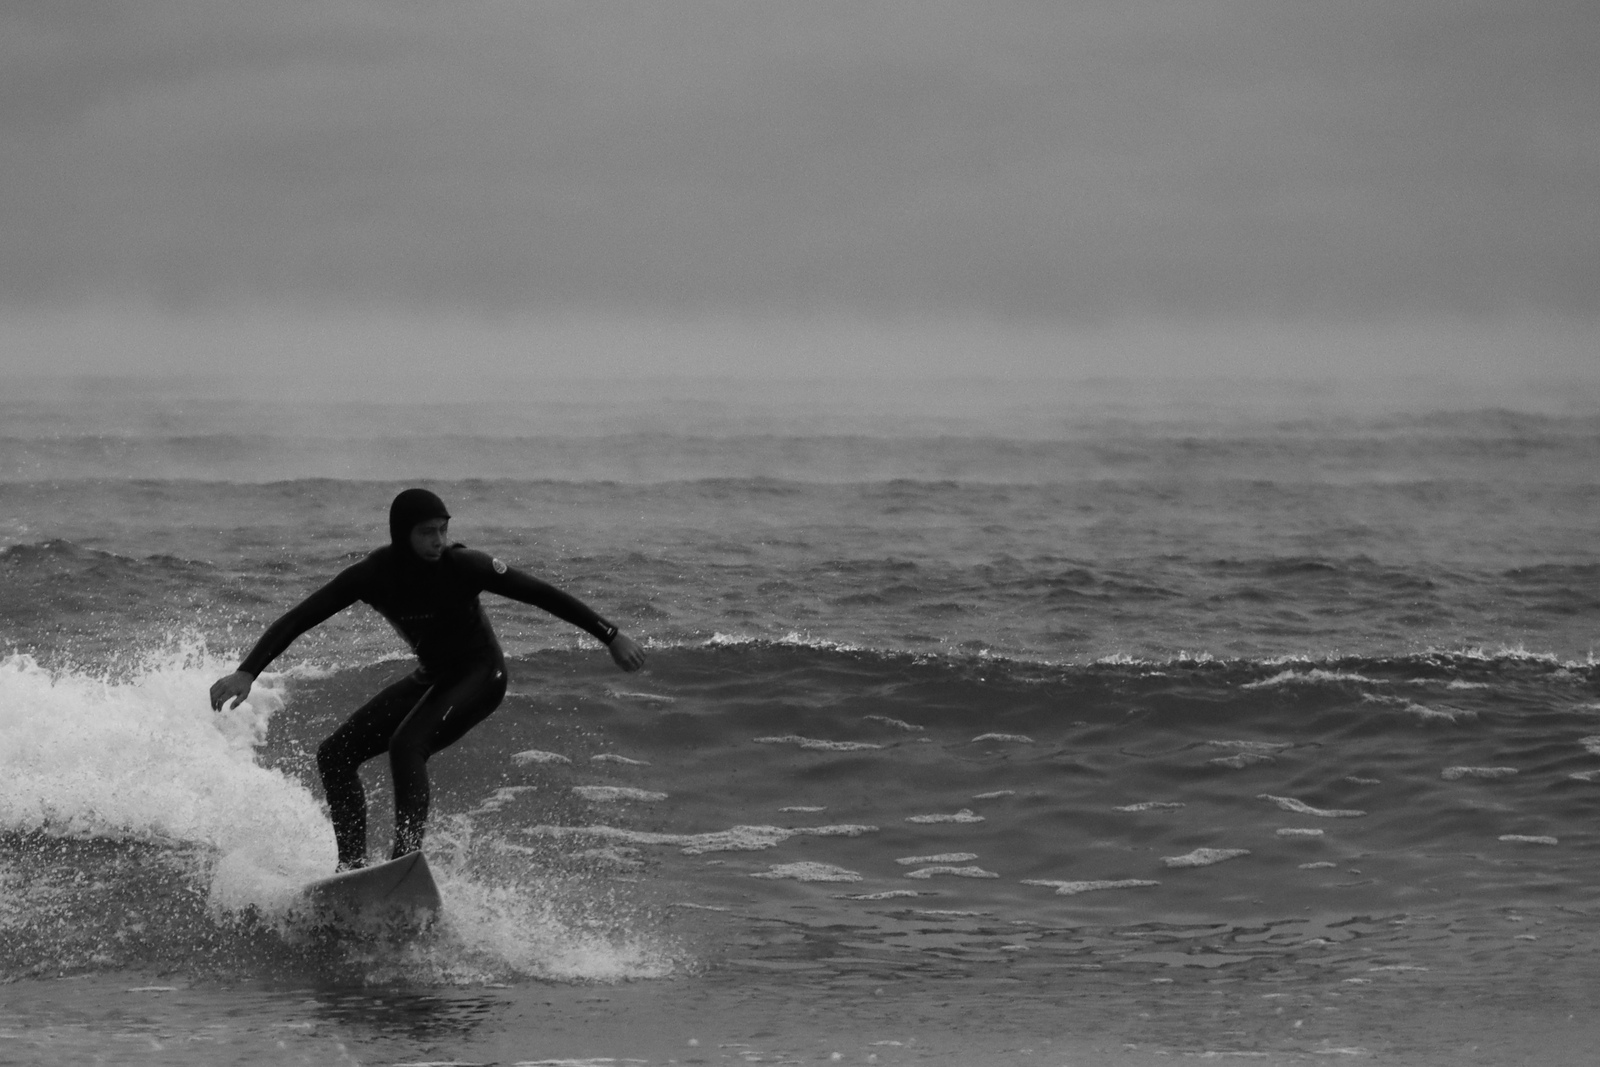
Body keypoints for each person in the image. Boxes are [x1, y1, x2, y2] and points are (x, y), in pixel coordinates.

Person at [209, 488, 646, 870]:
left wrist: (609, 635)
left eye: (442, 529)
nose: (438, 541)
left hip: (481, 674)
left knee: (407, 744)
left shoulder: (466, 566)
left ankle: (405, 861)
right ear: (403, 534)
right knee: (335, 755)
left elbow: (543, 594)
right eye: (427, 532)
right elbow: (302, 617)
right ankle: (353, 867)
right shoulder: (373, 575)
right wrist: (249, 671)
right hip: (434, 676)